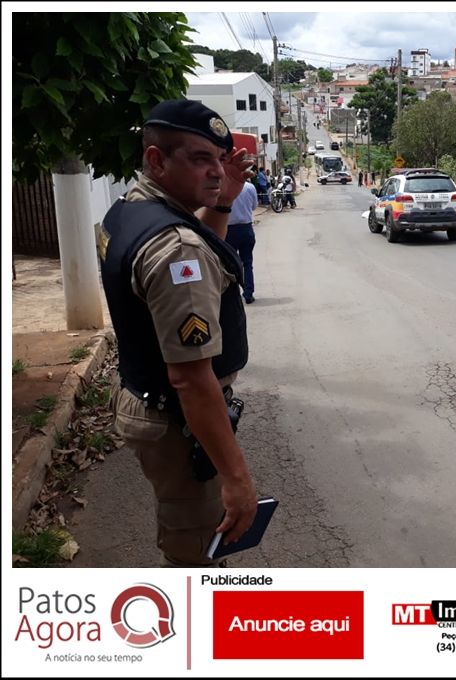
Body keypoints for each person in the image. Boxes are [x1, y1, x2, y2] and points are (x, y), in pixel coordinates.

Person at [98, 99, 259, 566]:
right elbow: (191, 377)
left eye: (219, 158)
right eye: (198, 158)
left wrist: (225, 198)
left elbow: (205, 246)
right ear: (157, 160)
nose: (214, 170)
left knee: (185, 524)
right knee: (198, 549)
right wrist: (237, 479)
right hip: (177, 421)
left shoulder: (132, 208)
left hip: (147, 398)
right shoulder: (175, 249)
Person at [226, 180, 258, 304]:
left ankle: (232, 295)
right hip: (246, 228)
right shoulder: (250, 187)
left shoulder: (225, 185)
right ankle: (248, 293)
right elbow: (254, 206)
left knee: (229, 265)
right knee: (247, 263)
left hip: (229, 230)